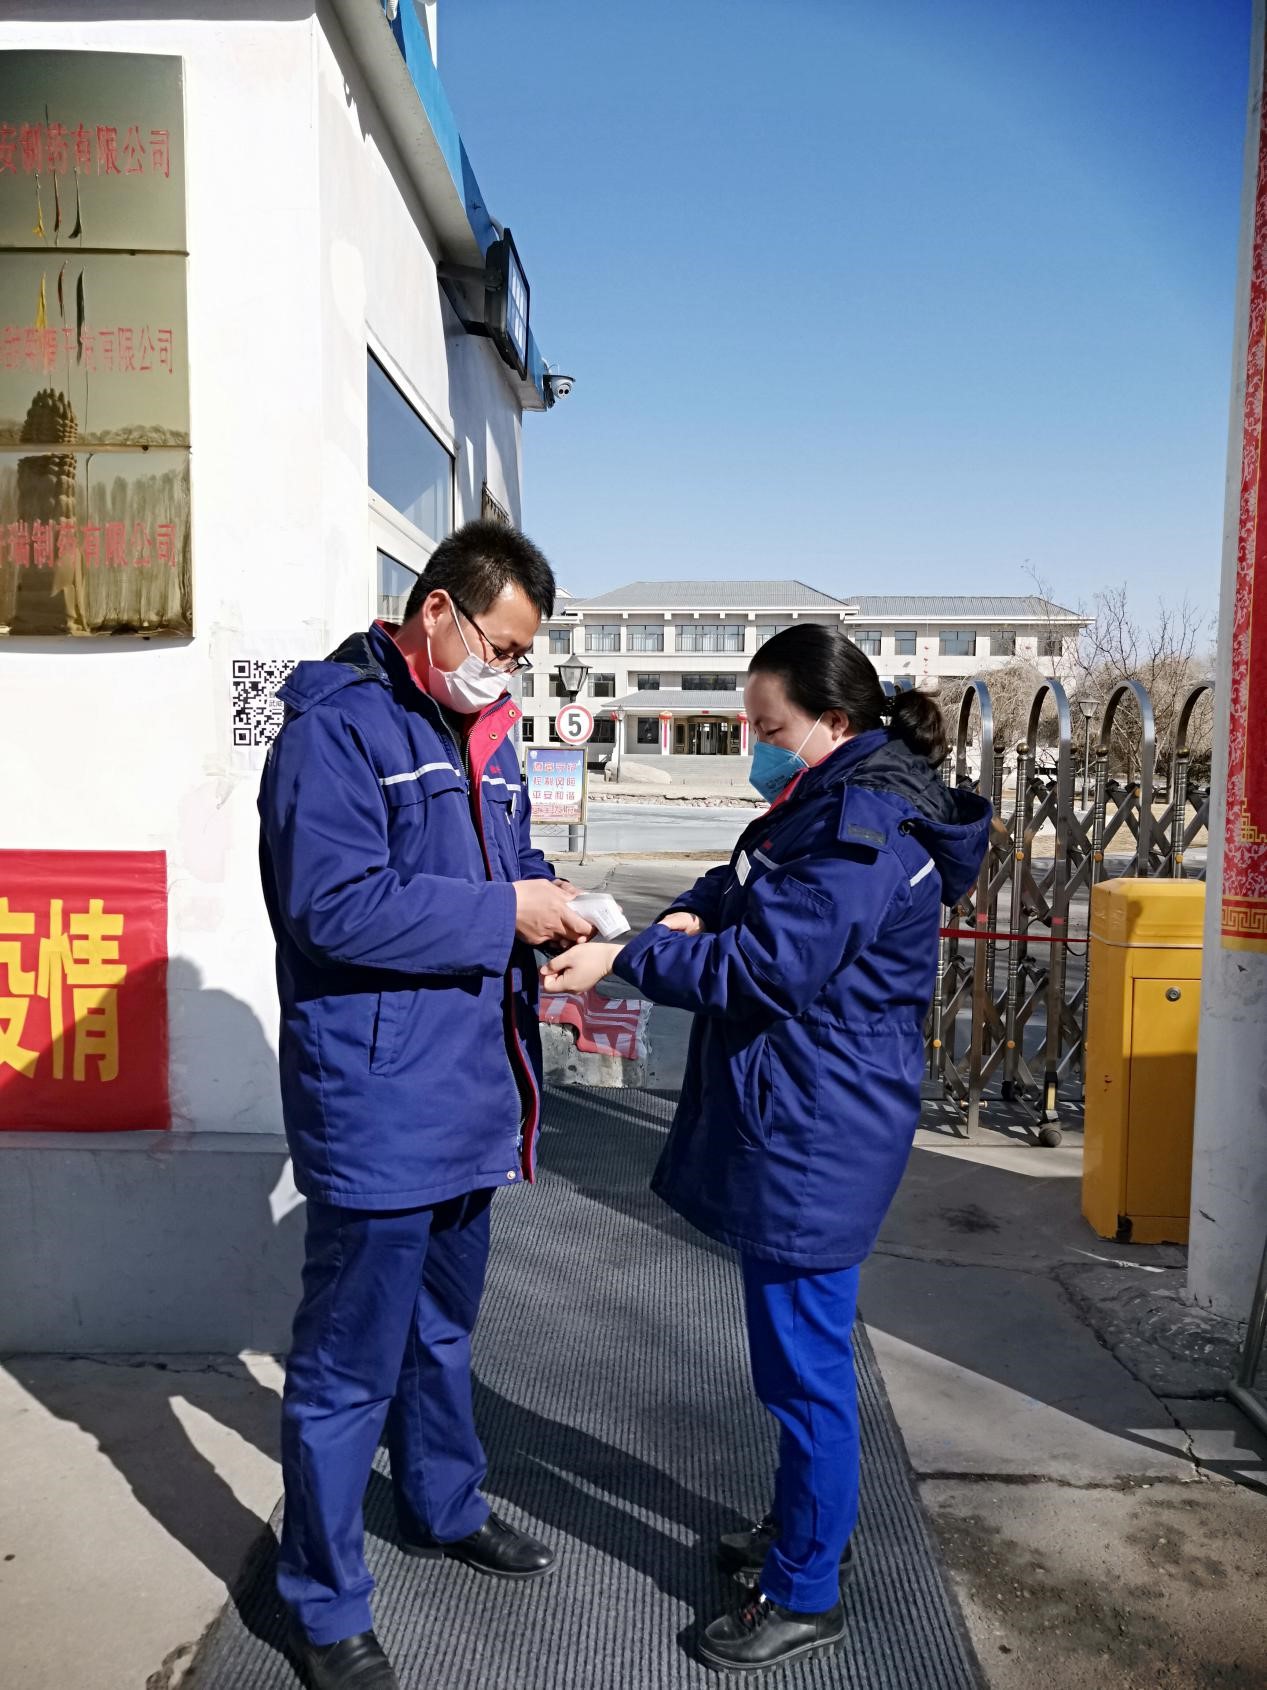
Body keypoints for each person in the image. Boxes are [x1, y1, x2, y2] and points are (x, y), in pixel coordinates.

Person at [541, 625, 991, 1674]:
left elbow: (770, 966)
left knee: (804, 1373)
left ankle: (804, 1590)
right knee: (797, 1362)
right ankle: (801, 1532)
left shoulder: (864, 826)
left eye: (768, 727)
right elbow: (742, 880)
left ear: (832, 721)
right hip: (804, 1111)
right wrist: (686, 915)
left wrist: (625, 957)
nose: (755, 745)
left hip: (818, 1130)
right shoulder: (827, 797)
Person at [258, 521, 594, 1690]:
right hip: (379, 1095)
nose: (505, 671)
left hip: (469, 1089)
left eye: (520, 658)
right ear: (438, 608)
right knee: (347, 1365)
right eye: (499, 647)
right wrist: (506, 913)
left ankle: (444, 1502)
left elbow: (496, 871)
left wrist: (549, 914)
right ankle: (321, 1600)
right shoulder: (338, 726)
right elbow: (333, 906)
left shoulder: (483, 735)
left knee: (444, 1331)